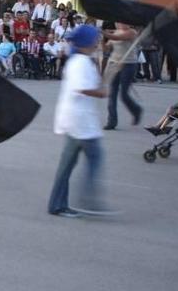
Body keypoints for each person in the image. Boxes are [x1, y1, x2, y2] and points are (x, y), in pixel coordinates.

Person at [48, 25, 112, 218]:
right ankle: (87, 200)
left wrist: (104, 75)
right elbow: (81, 88)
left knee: (67, 165)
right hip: (80, 121)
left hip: (77, 120)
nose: (97, 42)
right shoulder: (80, 63)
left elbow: (92, 83)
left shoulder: (84, 61)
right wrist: (101, 93)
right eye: (94, 39)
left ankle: (57, 205)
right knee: (95, 157)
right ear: (86, 42)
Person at [103, 23, 143, 130]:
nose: (119, 23)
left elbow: (117, 38)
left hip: (128, 64)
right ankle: (111, 121)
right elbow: (107, 48)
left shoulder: (132, 32)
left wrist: (102, 32)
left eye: (122, 22)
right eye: (118, 22)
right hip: (115, 64)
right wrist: (102, 40)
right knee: (112, 93)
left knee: (124, 94)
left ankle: (136, 110)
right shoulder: (116, 32)